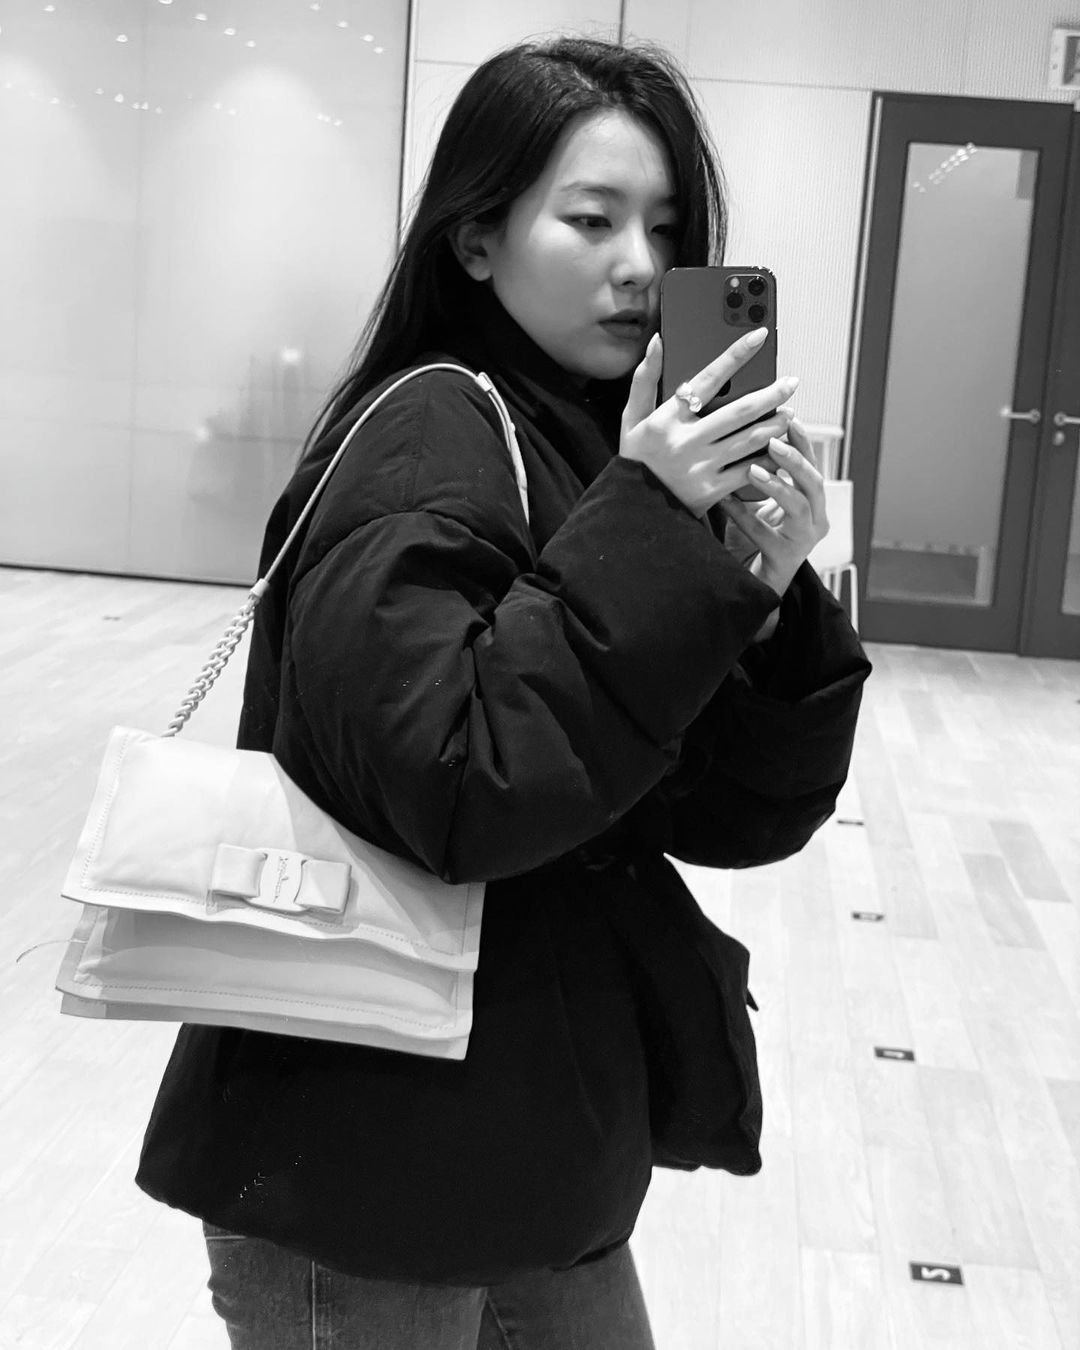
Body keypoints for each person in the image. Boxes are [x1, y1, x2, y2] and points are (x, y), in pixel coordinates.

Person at [135, 34, 870, 1350]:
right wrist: (646, 526)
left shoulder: (588, 449)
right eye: (591, 219)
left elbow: (732, 814)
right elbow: (461, 788)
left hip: (523, 1134)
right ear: (476, 239)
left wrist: (758, 589)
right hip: (363, 1167)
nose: (639, 264)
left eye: (666, 227)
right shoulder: (429, 442)